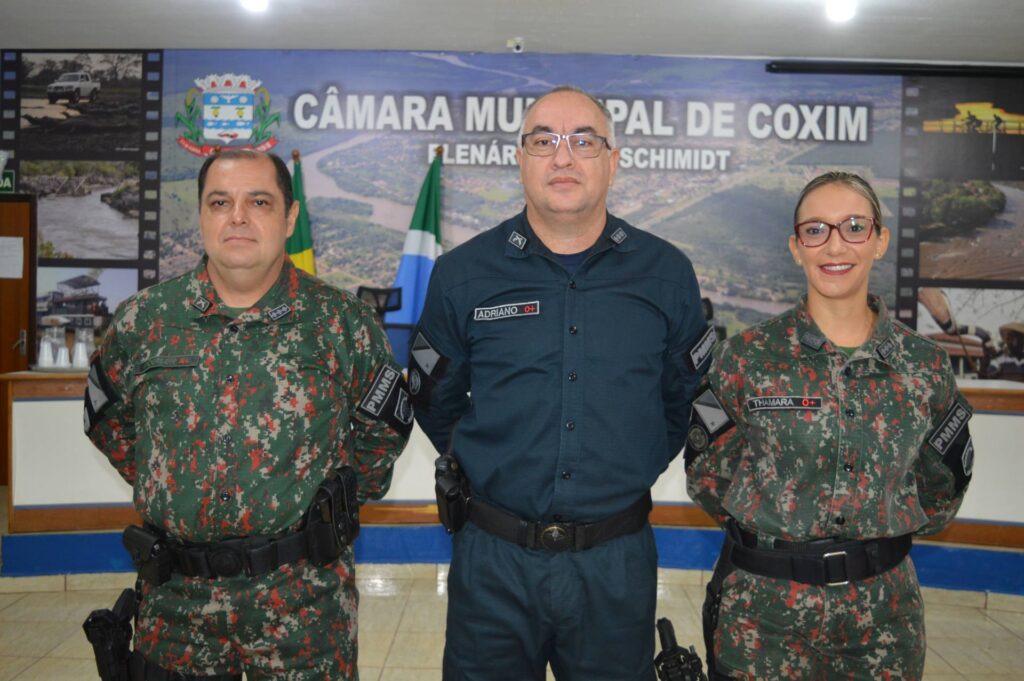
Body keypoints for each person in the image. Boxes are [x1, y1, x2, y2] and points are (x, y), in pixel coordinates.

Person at [410, 85, 713, 681]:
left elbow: (684, 400)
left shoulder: (666, 274)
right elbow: (433, 398)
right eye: (544, 141)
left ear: (612, 160)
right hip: (493, 562)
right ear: (520, 159)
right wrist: (495, 464)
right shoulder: (462, 275)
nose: (563, 157)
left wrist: (630, 464)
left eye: (584, 141)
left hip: (615, 563)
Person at [84, 149, 411, 680]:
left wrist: (333, 504)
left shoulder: (341, 322)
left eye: (258, 202)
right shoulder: (145, 321)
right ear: (201, 215)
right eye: (220, 203)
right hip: (176, 608)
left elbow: (384, 432)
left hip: (303, 609)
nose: (237, 217)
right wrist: (168, 483)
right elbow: (106, 418)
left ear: (289, 217)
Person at [686, 171, 974, 681]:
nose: (834, 245)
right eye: (815, 230)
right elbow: (708, 474)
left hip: (884, 619)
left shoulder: (924, 366)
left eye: (854, 227)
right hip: (764, 616)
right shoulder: (745, 358)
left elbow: (942, 487)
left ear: (880, 241)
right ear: (796, 247)